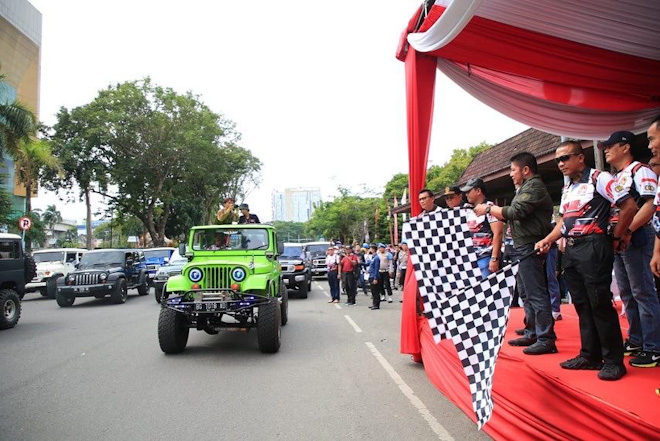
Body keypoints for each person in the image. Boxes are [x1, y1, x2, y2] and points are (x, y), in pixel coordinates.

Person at [536, 140, 637, 381]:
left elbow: (629, 206)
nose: (560, 163)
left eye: (565, 158)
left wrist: (617, 235)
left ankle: (614, 361)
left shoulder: (599, 178)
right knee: (581, 304)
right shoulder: (568, 187)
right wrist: (548, 239)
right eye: (558, 160)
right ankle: (590, 355)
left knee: (599, 303)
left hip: (594, 246)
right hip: (571, 249)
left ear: (580, 158)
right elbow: (563, 222)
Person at [474, 152, 556, 356]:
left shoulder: (534, 187)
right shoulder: (526, 188)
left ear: (525, 170)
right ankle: (532, 331)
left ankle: (545, 338)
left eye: (512, 169)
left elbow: (515, 212)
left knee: (536, 293)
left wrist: (489, 209)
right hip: (521, 245)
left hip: (530, 245)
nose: (511, 174)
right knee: (526, 292)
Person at [601, 130, 660, 368]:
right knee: (626, 292)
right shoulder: (616, 175)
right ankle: (636, 339)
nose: (605, 150)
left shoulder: (640, 170)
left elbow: (650, 205)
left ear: (625, 147)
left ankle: (654, 347)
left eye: (610, 145)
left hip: (637, 236)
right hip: (620, 237)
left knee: (643, 291)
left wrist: (628, 231)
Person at [460, 178, 503, 279]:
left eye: (469, 191)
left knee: (488, 291)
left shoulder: (490, 207)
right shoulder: (467, 209)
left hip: (485, 257)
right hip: (470, 259)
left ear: (478, 191)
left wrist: (494, 258)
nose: (466, 195)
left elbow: (498, 233)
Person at [367, 244, 383, 309]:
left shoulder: (376, 258)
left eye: (370, 249)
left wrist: (375, 278)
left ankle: (376, 304)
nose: (369, 250)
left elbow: (376, 268)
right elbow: (369, 264)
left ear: (373, 249)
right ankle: (374, 303)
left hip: (374, 276)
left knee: (375, 291)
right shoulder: (373, 257)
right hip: (371, 275)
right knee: (373, 291)